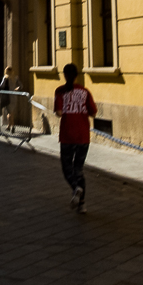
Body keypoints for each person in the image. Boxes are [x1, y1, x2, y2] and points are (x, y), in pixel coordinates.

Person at [54, 63, 97, 214]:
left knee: (67, 168)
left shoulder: (60, 91)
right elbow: (93, 112)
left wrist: (63, 111)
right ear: (77, 75)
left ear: (64, 75)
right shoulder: (85, 91)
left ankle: (76, 188)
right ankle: (82, 205)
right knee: (78, 169)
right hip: (83, 135)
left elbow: (59, 112)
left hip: (67, 135)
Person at [0, 66, 20, 133]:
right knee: (12, 112)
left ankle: (12, 126)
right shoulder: (15, 77)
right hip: (14, 96)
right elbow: (21, 85)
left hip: (7, 97)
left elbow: (1, 86)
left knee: (9, 112)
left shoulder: (5, 78)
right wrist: (17, 88)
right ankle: (10, 126)